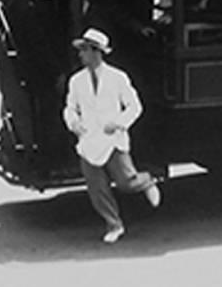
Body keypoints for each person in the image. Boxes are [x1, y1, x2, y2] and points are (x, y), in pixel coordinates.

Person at [62, 27, 161, 244]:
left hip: (113, 140)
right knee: (97, 188)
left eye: (84, 50)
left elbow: (135, 106)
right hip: (89, 140)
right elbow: (70, 108)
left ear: (96, 52)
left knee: (126, 182)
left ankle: (147, 182)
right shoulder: (76, 81)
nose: (81, 55)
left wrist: (119, 123)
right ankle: (114, 224)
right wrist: (74, 123)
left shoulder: (118, 78)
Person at [6, 0, 65, 152]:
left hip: (28, 68)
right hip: (40, 71)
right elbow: (39, 45)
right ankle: (49, 156)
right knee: (48, 112)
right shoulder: (29, 10)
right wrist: (56, 72)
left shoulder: (17, 5)